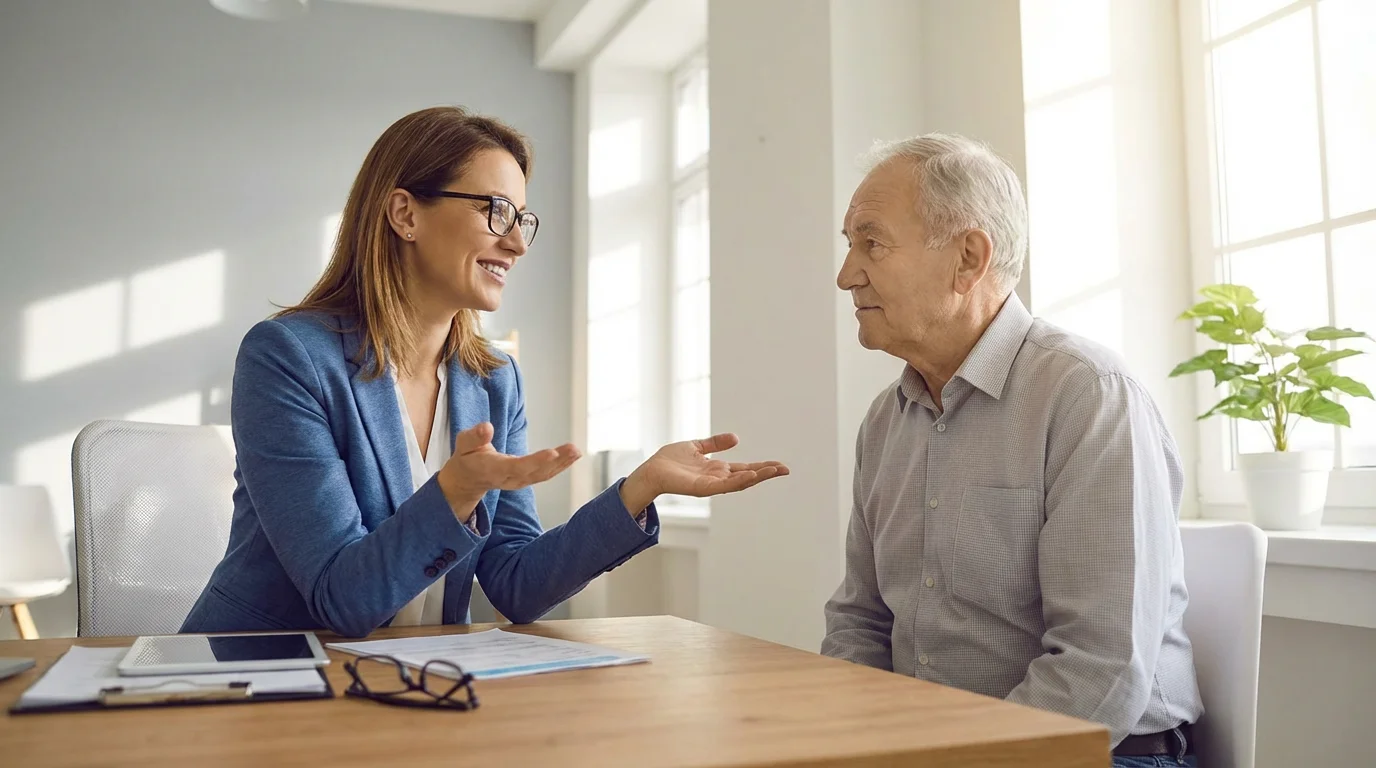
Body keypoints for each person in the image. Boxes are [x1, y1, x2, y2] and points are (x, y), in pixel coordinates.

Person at [182, 106, 787, 638]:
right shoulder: (287, 357)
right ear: (405, 213)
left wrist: (640, 488)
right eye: (497, 211)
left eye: (522, 219)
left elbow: (515, 582)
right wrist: (457, 490)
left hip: (407, 684)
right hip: (255, 681)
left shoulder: (493, 379)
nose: (517, 245)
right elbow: (343, 598)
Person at [821, 133, 1202, 767]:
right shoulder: (886, 421)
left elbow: (1099, 671)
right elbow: (860, 622)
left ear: (968, 257)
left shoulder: (1089, 394)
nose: (846, 274)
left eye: (872, 242)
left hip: (1104, 753)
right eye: (849, 245)